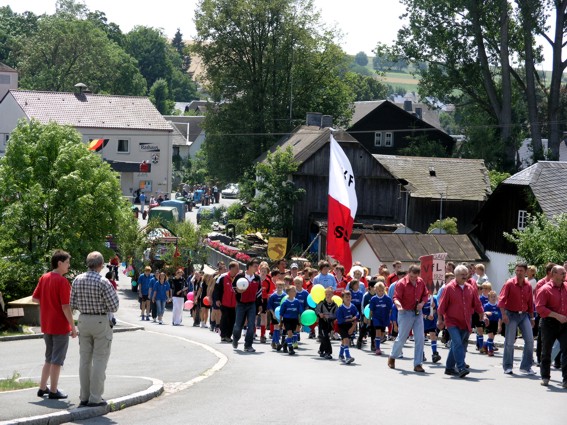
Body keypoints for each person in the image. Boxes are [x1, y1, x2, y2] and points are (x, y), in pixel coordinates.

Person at [70, 251, 119, 407]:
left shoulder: (77, 280)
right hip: (100, 320)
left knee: (84, 359)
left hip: (83, 319)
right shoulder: (103, 282)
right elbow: (114, 306)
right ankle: (95, 397)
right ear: (100, 265)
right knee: (99, 359)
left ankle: (84, 396)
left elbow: (72, 303)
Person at [32, 250, 77, 400]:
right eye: (67, 263)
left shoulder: (44, 278)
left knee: (48, 358)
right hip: (59, 326)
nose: (68, 266)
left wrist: (48, 305)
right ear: (60, 263)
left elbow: (35, 299)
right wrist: (73, 326)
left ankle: (42, 387)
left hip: (47, 324)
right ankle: (53, 390)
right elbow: (66, 306)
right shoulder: (62, 281)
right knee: (57, 360)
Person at [437, 265, 487, 378]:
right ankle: (461, 367)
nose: (465, 276)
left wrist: (483, 315)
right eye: (462, 275)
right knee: (458, 343)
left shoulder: (470, 288)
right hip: (452, 321)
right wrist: (440, 320)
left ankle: (449, 368)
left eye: (466, 274)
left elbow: (477, 304)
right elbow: (442, 306)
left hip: (465, 321)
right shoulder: (449, 288)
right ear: (456, 275)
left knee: (457, 344)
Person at [387, 264, 428, 373]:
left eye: (415, 277)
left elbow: (425, 295)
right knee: (402, 337)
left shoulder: (421, 282)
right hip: (405, 312)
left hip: (417, 312)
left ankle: (418, 364)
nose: (414, 279)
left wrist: (422, 303)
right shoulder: (401, 283)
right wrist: (398, 305)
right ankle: (392, 356)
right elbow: (395, 298)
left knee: (420, 338)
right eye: (412, 276)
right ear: (408, 273)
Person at [499, 262, 536, 375]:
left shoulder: (528, 285)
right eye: (517, 270)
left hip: (524, 315)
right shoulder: (509, 284)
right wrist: (504, 315)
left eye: (521, 271)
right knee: (510, 342)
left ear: (526, 272)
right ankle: (508, 366)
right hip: (511, 314)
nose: (519, 272)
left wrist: (532, 317)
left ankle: (525, 367)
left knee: (530, 341)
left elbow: (530, 303)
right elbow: (501, 300)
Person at [535, 265, 567, 387]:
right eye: (562, 273)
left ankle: (566, 380)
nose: (564, 275)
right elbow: (540, 308)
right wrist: (556, 316)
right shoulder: (545, 289)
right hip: (549, 323)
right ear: (553, 274)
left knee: (566, 350)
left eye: (564, 273)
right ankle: (545, 377)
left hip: (565, 323)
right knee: (546, 351)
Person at [232, 259, 262, 352]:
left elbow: (259, 292)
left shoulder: (257, 278)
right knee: (238, 325)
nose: (257, 268)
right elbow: (233, 287)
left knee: (251, 324)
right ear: (249, 266)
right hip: (241, 304)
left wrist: (260, 305)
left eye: (257, 266)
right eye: (255, 266)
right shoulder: (240, 276)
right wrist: (238, 290)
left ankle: (248, 345)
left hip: (252, 304)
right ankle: (235, 339)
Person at [214, 262, 239, 342]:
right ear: (231, 268)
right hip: (224, 303)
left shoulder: (239, 278)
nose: (238, 270)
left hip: (235, 304)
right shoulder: (222, 277)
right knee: (225, 318)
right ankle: (223, 335)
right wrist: (217, 299)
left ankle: (228, 336)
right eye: (236, 268)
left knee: (232, 320)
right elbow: (217, 289)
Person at [369, 281, 392, 356]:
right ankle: (377, 348)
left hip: (384, 318)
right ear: (375, 290)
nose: (380, 292)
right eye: (379, 290)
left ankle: (377, 341)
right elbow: (371, 310)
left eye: (382, 290)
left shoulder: (387, 299)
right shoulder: (373, 299)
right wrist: (369, 319)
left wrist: (390, 318)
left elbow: (390, 310)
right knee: (378, 332)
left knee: (382, 334)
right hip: (376, 318)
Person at [336, 290, 359, 364]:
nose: (348, 298)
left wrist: (354, 320)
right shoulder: (340, 308)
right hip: (342, 326)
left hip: (350, 325)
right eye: (346, 297)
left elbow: (357, 314)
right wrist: (350, 319)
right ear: (342, 298)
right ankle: (348, 356)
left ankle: (340, 354)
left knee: (344, 341)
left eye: (349, 296)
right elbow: (340, 320)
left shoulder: (352, 306)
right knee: (346, 340)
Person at [279, 286, 303, 355]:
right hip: (287, 320)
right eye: (293, 291)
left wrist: (299, 321)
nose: (295, 292)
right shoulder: (285, 302)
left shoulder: (297, 301)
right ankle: (290, 348)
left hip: (294, 320)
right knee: (289, 333)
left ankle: (284, 344)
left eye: (295, 291)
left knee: (291, 335)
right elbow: (281, 313)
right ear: (288, 292)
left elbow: (299, 312)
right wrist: (280, 322)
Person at [315, 287, 338, 359]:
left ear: (332, 295)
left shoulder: (335, 305)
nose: (328, 295)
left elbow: (336, 314)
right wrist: (319, 314)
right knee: (325, 336)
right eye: (326, 294)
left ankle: (321, 350)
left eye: (329, 294)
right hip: (323, 322)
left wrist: (333, 318)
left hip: (330, 323)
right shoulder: (321, 303)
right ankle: (328, 352)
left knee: (326, 337)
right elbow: (316, 310)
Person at [268, 280, 287, 350]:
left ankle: (273, 342)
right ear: (276, 287)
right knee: (276, 327)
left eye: (281, 287)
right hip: (274, 314)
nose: (279, 288)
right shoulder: (273, 296)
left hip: (282, 315)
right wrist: (273, 314)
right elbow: (269, 306)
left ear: (283, 287)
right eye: (278, 287)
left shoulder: (285, 296)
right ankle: (277, 343)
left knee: (280, 328)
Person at [483, 291, 502, 356]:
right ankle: (490, 351)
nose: (493, 298)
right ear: (489, 298)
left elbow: (499, 316)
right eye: (491, 297)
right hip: (489, 322)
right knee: (490, 337)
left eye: (494, 297)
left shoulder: (498, 306)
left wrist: (499, 326)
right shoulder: (486, 305)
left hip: (495, 322)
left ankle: (485, 345)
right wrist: (486, 313)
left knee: (492, 337)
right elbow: (483, 313)